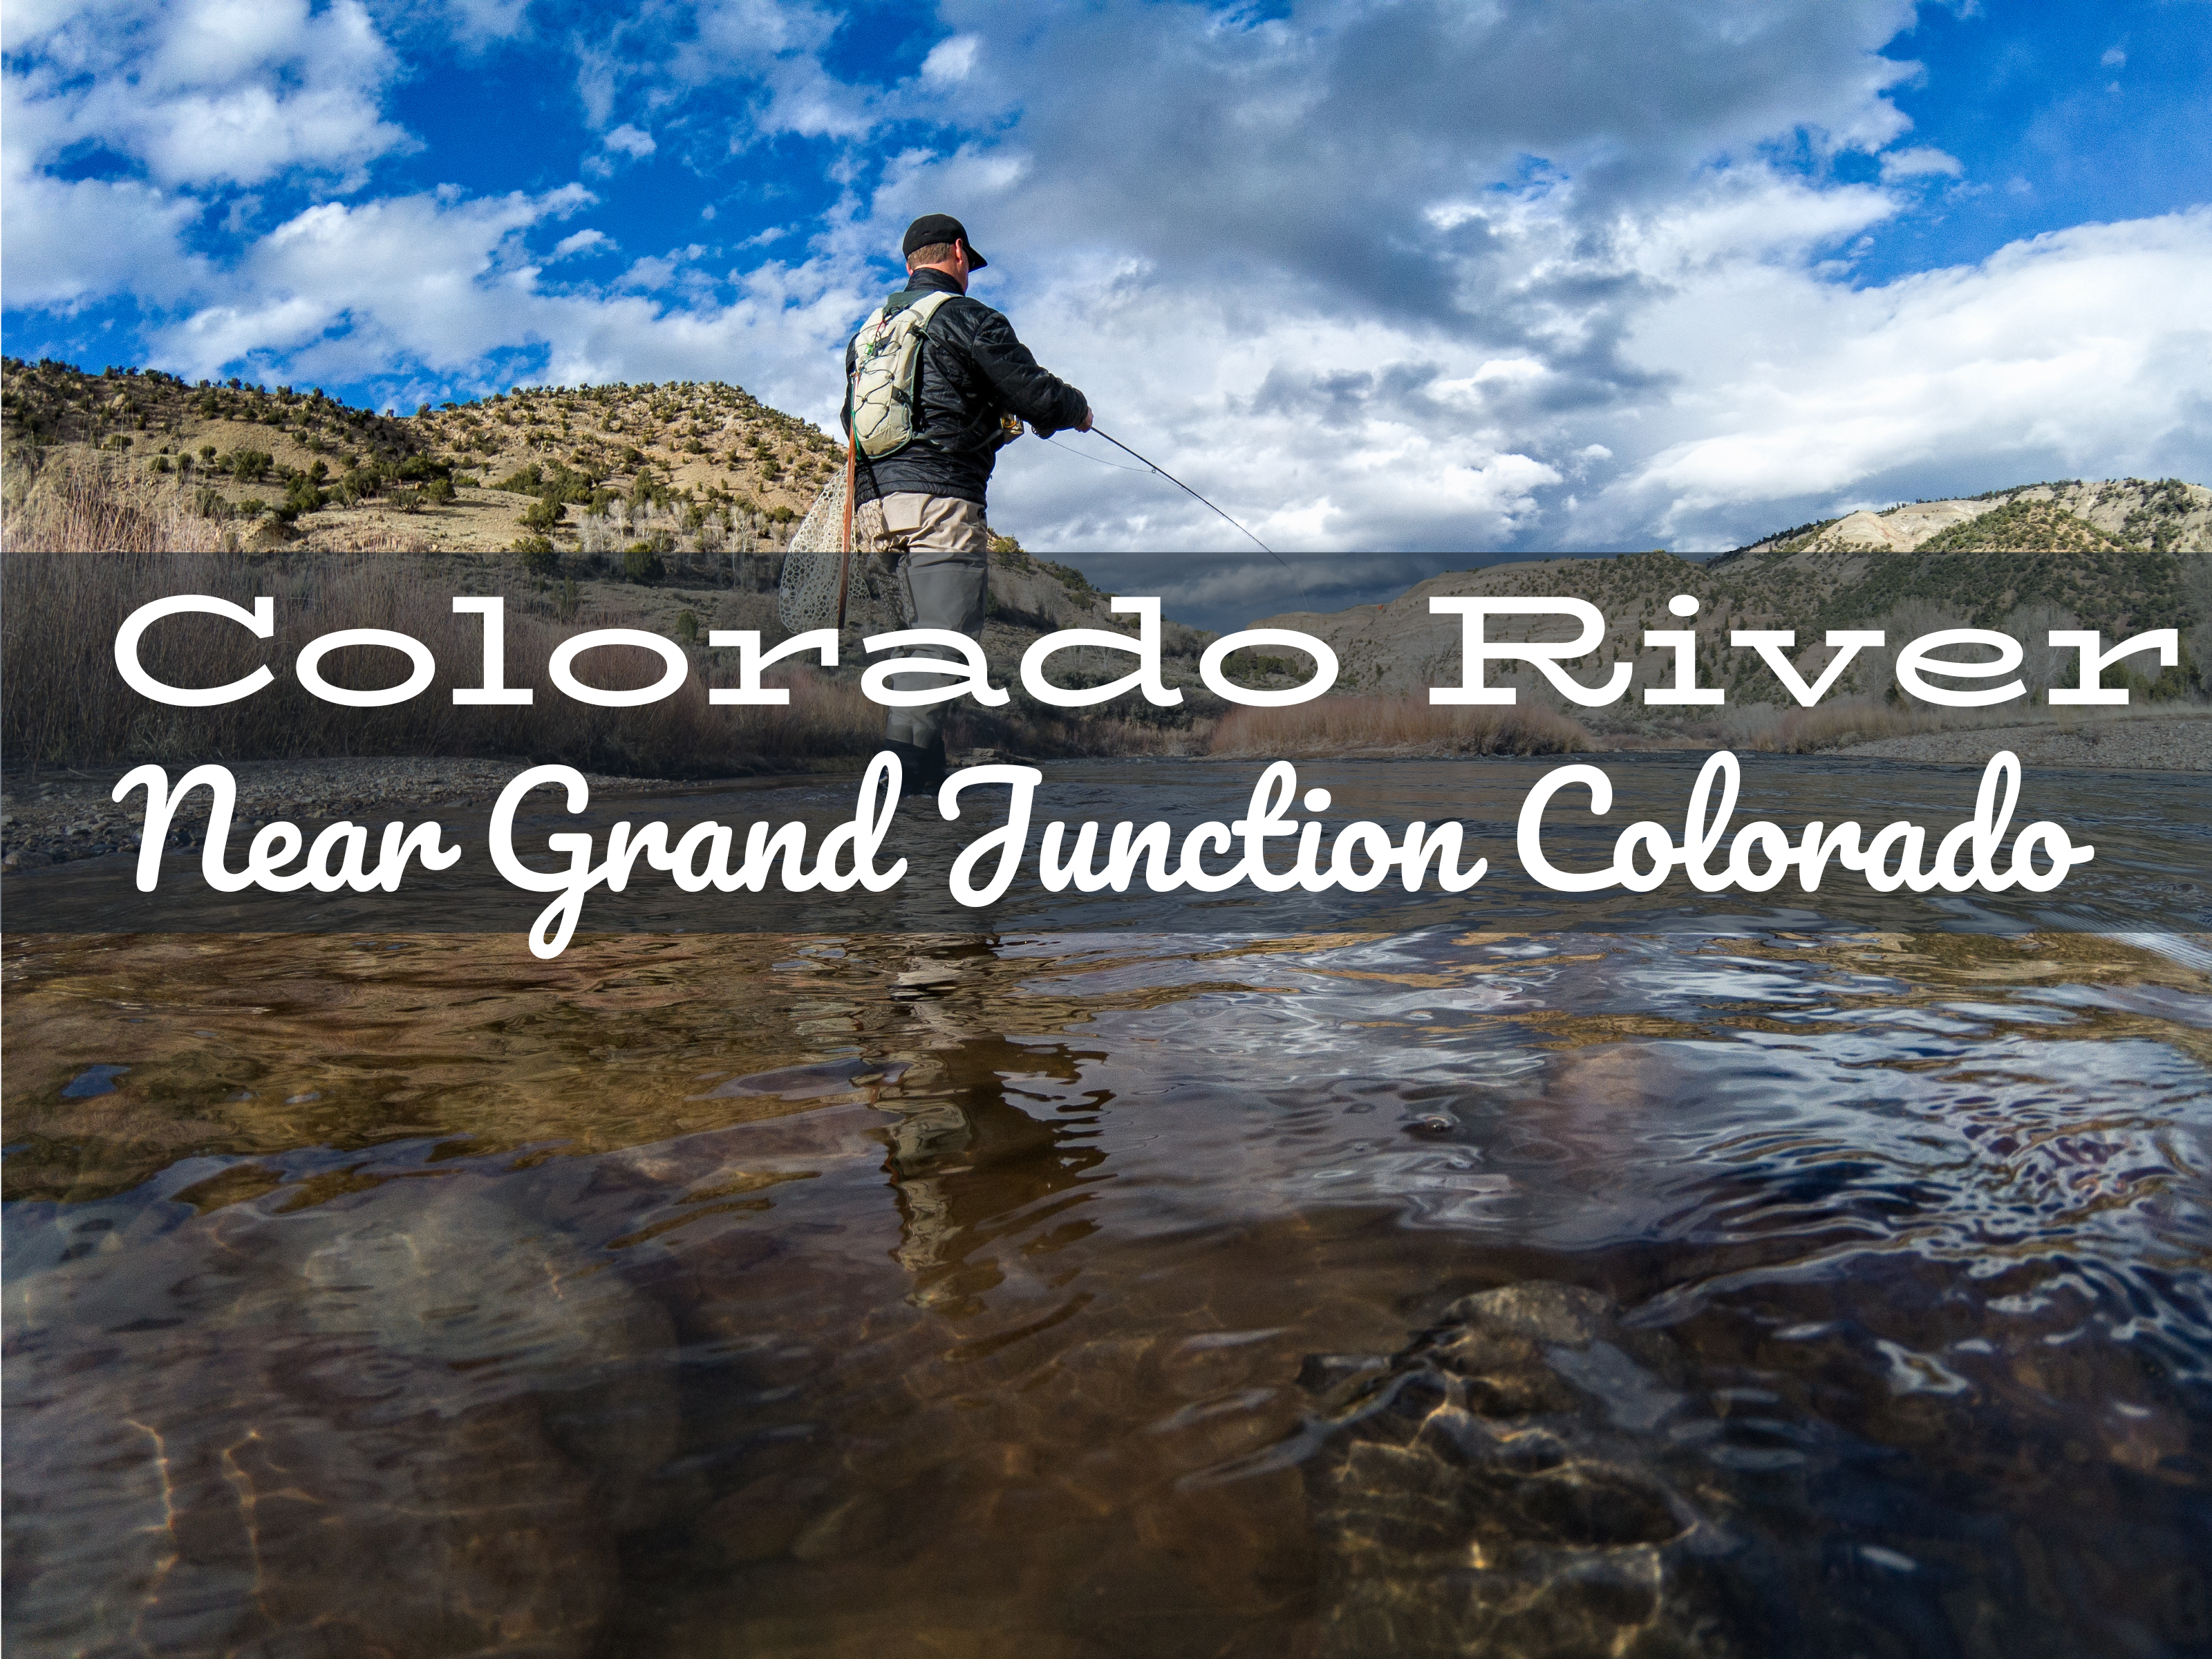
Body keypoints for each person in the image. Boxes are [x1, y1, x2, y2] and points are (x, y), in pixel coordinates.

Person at [842, 213, 1091, 800]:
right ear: (957, 253)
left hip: (876, 510)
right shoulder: (967, 318)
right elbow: (1031, 390)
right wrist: (1075, 409)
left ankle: (923, 780)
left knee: (915, 643)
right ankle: (895, 778)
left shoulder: (867, 335)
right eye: (967, 261)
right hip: (940, 501)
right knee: (946, 642)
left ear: (909, 264)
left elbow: (850, 421)